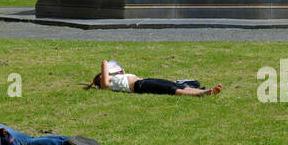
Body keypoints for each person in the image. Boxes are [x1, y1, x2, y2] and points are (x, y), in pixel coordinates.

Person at [89, 59, 221, 97]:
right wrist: (105, 64)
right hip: (140, 86)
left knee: (177, 85)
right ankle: (203, 93)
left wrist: (118, 71)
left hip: (145, 80)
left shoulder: (117, 78)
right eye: (103, 75)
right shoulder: (107, 84)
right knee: (170, 89)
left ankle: (203, 91)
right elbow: (104, 66)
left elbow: (121, 71)